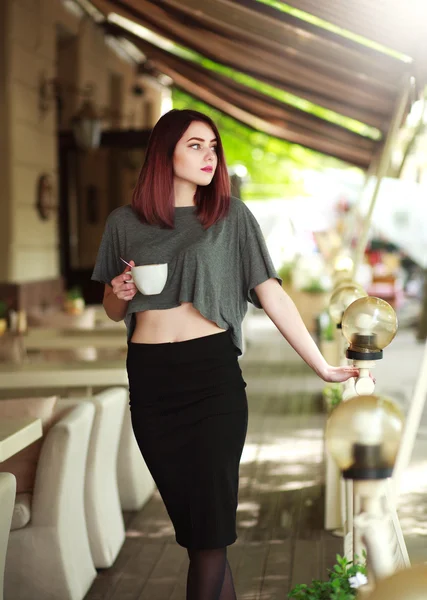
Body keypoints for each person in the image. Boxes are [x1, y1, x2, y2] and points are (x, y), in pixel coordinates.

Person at [91, 109, 358, 600]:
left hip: (212, 379)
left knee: (211, 535)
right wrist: (120, 290)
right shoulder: (124, 223)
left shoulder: (231, 217)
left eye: (213, 146)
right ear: (164, 151)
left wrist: (320, 366)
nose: (209, 156)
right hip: (151, 385)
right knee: (199, 537)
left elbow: (271, 293)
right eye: (196, 145)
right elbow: (111, 310)